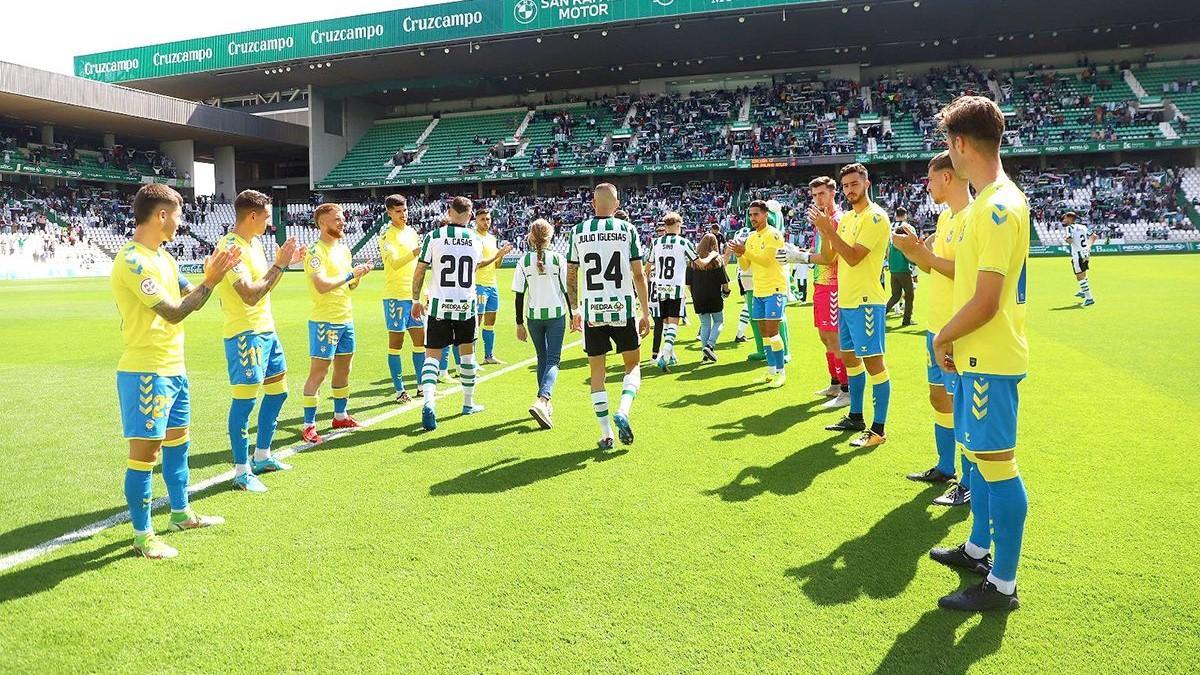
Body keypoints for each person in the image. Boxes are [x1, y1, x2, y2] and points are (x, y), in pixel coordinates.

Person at [928, 95, 1030, 612]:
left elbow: (986, 301)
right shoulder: (995, 200)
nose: (950, 153)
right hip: (977, 357)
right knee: (981, 460)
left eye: (949, 144)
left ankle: (1003, 585)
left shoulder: (995, 207)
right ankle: (978, 548)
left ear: (961, 144)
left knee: (997, 465)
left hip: (989, 358)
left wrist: (943, 335)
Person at [112, 183, 239, 559]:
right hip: (145, 372)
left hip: (174, 369)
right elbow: (173, 311)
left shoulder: (164, 258)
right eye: (179, 215)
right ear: (161, 215)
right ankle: (143, 535)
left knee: (179, 445)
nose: (182, 222)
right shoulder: (133, 260)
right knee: (144, 457)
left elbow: (192, 300)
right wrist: (211, 280)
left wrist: (210, 277)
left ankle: (181, 513)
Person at [892, 152, 973, 507]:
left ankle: (968, 482)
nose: (927, 186)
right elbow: (932, 269)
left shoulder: (974, 218)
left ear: (947, 178)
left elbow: (966, 274)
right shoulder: (944, 218)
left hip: (958, 328)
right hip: (935, 326)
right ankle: (945, 467)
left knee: (962, 405)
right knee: (938, 396)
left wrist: (920, 254)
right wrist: (914, 250)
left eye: (930, 178)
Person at [213, 190, 304, 493]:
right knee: (245, 401)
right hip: (245, 333)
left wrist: (283, 263)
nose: (270, 220)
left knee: (278, 392)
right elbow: (250, 294)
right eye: (266, 215)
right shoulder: (229, 248)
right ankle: (241, 471)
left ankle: (262, 455)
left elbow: (264, 286)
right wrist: (279, 265)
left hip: (266, 330)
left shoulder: (253, 245)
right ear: (252, 216)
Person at [566, 183, 651, 449]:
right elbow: (639, 274)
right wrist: (646, 312)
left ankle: (605, 433)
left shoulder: (578, 232)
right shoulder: (628, 230)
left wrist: (575, 309)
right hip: (623, 308)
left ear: (593, 204)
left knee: (597, 373)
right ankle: (623, 410)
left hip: (592, 312)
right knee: (633, 366)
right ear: (617, 205)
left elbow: (571, 275)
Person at [813, 163, 892, 448]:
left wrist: (828, 230)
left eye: (854, 184)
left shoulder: (875, 217)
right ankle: (855, 416)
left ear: (866, 184)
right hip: (846, 301)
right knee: (850, 359)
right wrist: (824, 232)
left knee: (874, 364)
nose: (849, 190)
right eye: (845, 186)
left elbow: (855, 256)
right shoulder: (846, 219)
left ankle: (878, 430)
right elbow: (832, 256)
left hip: (867, 302)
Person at [300, 203, 372, 445]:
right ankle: (309, 425)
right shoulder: (314, 251)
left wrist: (357, 277)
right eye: (337, 219)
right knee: (319, 373)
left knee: (344, 368)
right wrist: (352, 275)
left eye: (343, 218)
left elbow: (348, 285)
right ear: (322, 223)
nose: (342, 222)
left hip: (345, 318)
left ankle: (340, 415)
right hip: (325, 320)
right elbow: (321, 285)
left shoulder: (344, 250)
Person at [413, 196, 485, 431]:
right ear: (470, 214)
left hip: (438, 306)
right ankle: (468, 403)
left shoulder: (434, 236)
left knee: (432, 357)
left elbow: (421, 269)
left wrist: (415, 299)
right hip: (466, 305)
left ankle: (429, 401)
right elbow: (474, 268)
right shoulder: (476, 239)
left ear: (449, 211)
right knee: (467, 356)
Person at [512, 218, 574, 428]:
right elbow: (568, 291)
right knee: (553, 360)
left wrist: (519, 323)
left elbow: (519, 295)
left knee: (542, 358)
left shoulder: (523, 261)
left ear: (530, 237)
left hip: (533, 317)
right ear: (551, 237)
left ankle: (544, 404)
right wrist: (574, 315)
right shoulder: (558, 259)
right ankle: (543, 400)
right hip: (556, 316)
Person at [727, 200, 789, 388]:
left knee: (773, 332)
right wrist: (739, 255)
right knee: (764, 334)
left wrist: (744, 250)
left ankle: (781, 372)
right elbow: (747, 266)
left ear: (765, 215)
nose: (752, 218)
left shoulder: (774, 235)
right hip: (759, 290)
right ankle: (770, 370)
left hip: (775, 289)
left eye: (756, 214)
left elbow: (767, 261)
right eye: (750, 215)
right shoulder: (752, 238)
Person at [646, 212, 714, 370]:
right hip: (675, 287)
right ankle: (665, 355)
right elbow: (701, 264)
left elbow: (648, 266)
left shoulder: (656, 243)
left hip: (660, 287)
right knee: (674, 323)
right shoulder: (683, 242)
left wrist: (649, 281)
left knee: (665, 323)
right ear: (678, 226)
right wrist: (712, 256)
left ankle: (670, 355)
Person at [380, 194, 426, 403]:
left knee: (420, 342)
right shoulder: (386, 235)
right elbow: (395, 264)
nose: (403, 215)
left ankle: (421, 386)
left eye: (405, 210)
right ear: (389, 212)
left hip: (413, 296)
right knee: (396, 343)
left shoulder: (412, 232)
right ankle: (399, 390)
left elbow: (419, 268)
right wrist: (413, 253)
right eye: (398, 211)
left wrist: (422, 292)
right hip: (395, 296)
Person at [471, 208, 515, 365]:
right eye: (482, 219)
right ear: (476, 220)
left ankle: (489, 356)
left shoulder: (491, 238)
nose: (486, 222)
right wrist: (497, 255)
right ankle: (471, 359)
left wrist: (501, 256)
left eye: (488, 219)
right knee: (476, 322)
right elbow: (477, 265)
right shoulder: (473, 238)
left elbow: (496, 265)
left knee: (491, 322)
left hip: (492, 285)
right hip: (479, 285)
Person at [687, 232, 730, 362]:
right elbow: (725, 282)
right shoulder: (717, 261)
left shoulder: (692, 262)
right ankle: (710, 345)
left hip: (698, 296)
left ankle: (705, 354)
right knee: (719, 321)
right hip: (714, 295)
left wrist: (694, 295)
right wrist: (726, 292)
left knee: (705, 324)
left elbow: (688, 283)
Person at [885, 207, 916, 326]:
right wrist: (915, 264)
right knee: (909, 296)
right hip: (903, 272)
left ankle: (882, 315)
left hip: (893, 273)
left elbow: (888, 256)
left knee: (895, 296)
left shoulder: (892, 246)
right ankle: (906, 320)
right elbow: (909, 258)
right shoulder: (903, 246)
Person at [1064, 211, 1097, 306]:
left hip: (1077, 254)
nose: (1064, 220)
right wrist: (1088, 247)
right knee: (1083, 273)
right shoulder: (1083, 227)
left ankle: (1089, 298)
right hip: (1085, 253)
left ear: (1070, 219)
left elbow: (1070, 240)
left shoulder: (1069, 228)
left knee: (1079, 276)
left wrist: (1066, 239)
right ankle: (1083, 291)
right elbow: (1094, 236)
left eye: (1065, 218)